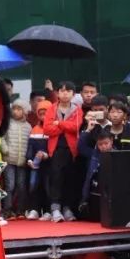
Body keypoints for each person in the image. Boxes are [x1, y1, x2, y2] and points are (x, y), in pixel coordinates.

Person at [43, 82, 82, 222]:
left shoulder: (77, 109)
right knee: (56, 178)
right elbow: (47, 129)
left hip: (72, 149)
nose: (65, 93)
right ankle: (55, 209)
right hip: (56, 148)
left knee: (69, 179)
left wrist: (58, 123)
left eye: (68, 91)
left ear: (73, 94)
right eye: (62, 91)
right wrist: (65, 126)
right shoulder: (51, 109)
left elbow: (76, 127)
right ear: (58, 93)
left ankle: (67, 208)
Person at [0, 102, 31, 219]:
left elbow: (30, 143)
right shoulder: (8, 124)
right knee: (10, 185)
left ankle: (20, 210)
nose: (15, 111)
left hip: (22, 161)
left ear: (24, 111)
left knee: (21, 186)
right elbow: (1, 137)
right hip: (9, 160)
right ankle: (7, 210)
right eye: (14, 109)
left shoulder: (28, 126)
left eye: (19, 109)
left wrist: (28, 157)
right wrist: (5, 149)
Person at [79, 128, 114, 221]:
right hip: (96, 193)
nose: (103, 147)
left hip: (112, 195)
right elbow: (81, 147)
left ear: (111, 141)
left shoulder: (118, 155)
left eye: (106, 143)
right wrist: (87, 131)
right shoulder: (94, 154)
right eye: (100, 144)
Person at [24, 99, 52, 220]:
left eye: (45, 113)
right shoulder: (34, 129)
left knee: (48, 187)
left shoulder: (53, 128)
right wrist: (29, 159)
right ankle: (34, 209)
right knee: (34, 186)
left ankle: (47, 211)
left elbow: (55, 147)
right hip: (35, 165)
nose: (43, 116)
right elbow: (30, 147)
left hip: (49, 164)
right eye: (40, 113)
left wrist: (47, 155)